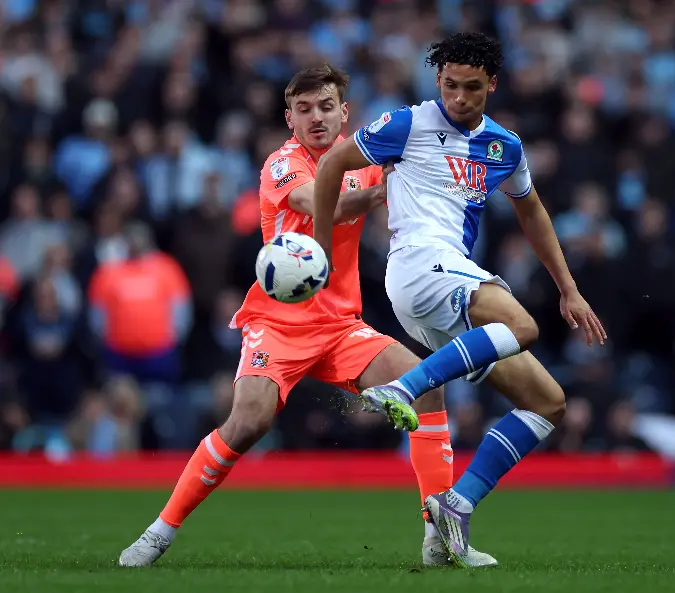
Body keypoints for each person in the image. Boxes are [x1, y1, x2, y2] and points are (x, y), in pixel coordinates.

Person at [118, 64, 496, 568]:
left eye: (325, 107)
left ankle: (439, 540)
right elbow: (320, 204)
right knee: (248, 422)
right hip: (278, 324)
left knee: (428, 386)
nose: (316, 117)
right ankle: (159, 532)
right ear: (289, 119)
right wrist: (379, 191)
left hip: (340, 327)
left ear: (344, 113)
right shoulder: (282, 164)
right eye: (304, 109)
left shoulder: (364, 160)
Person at [313, 33, 606, 567]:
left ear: (492, 84)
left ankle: (455, 507)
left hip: (446, 285)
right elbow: (332, 165)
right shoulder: (407, 124)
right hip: (419, 263)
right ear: (437, 80)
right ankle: (404, 386)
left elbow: (532, 211)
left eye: (472, 87)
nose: (459, 97)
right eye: (450, 85)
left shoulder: (504, 146)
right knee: (524, 327)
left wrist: (569, 288)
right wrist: (320, 245)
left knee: (547, 402)